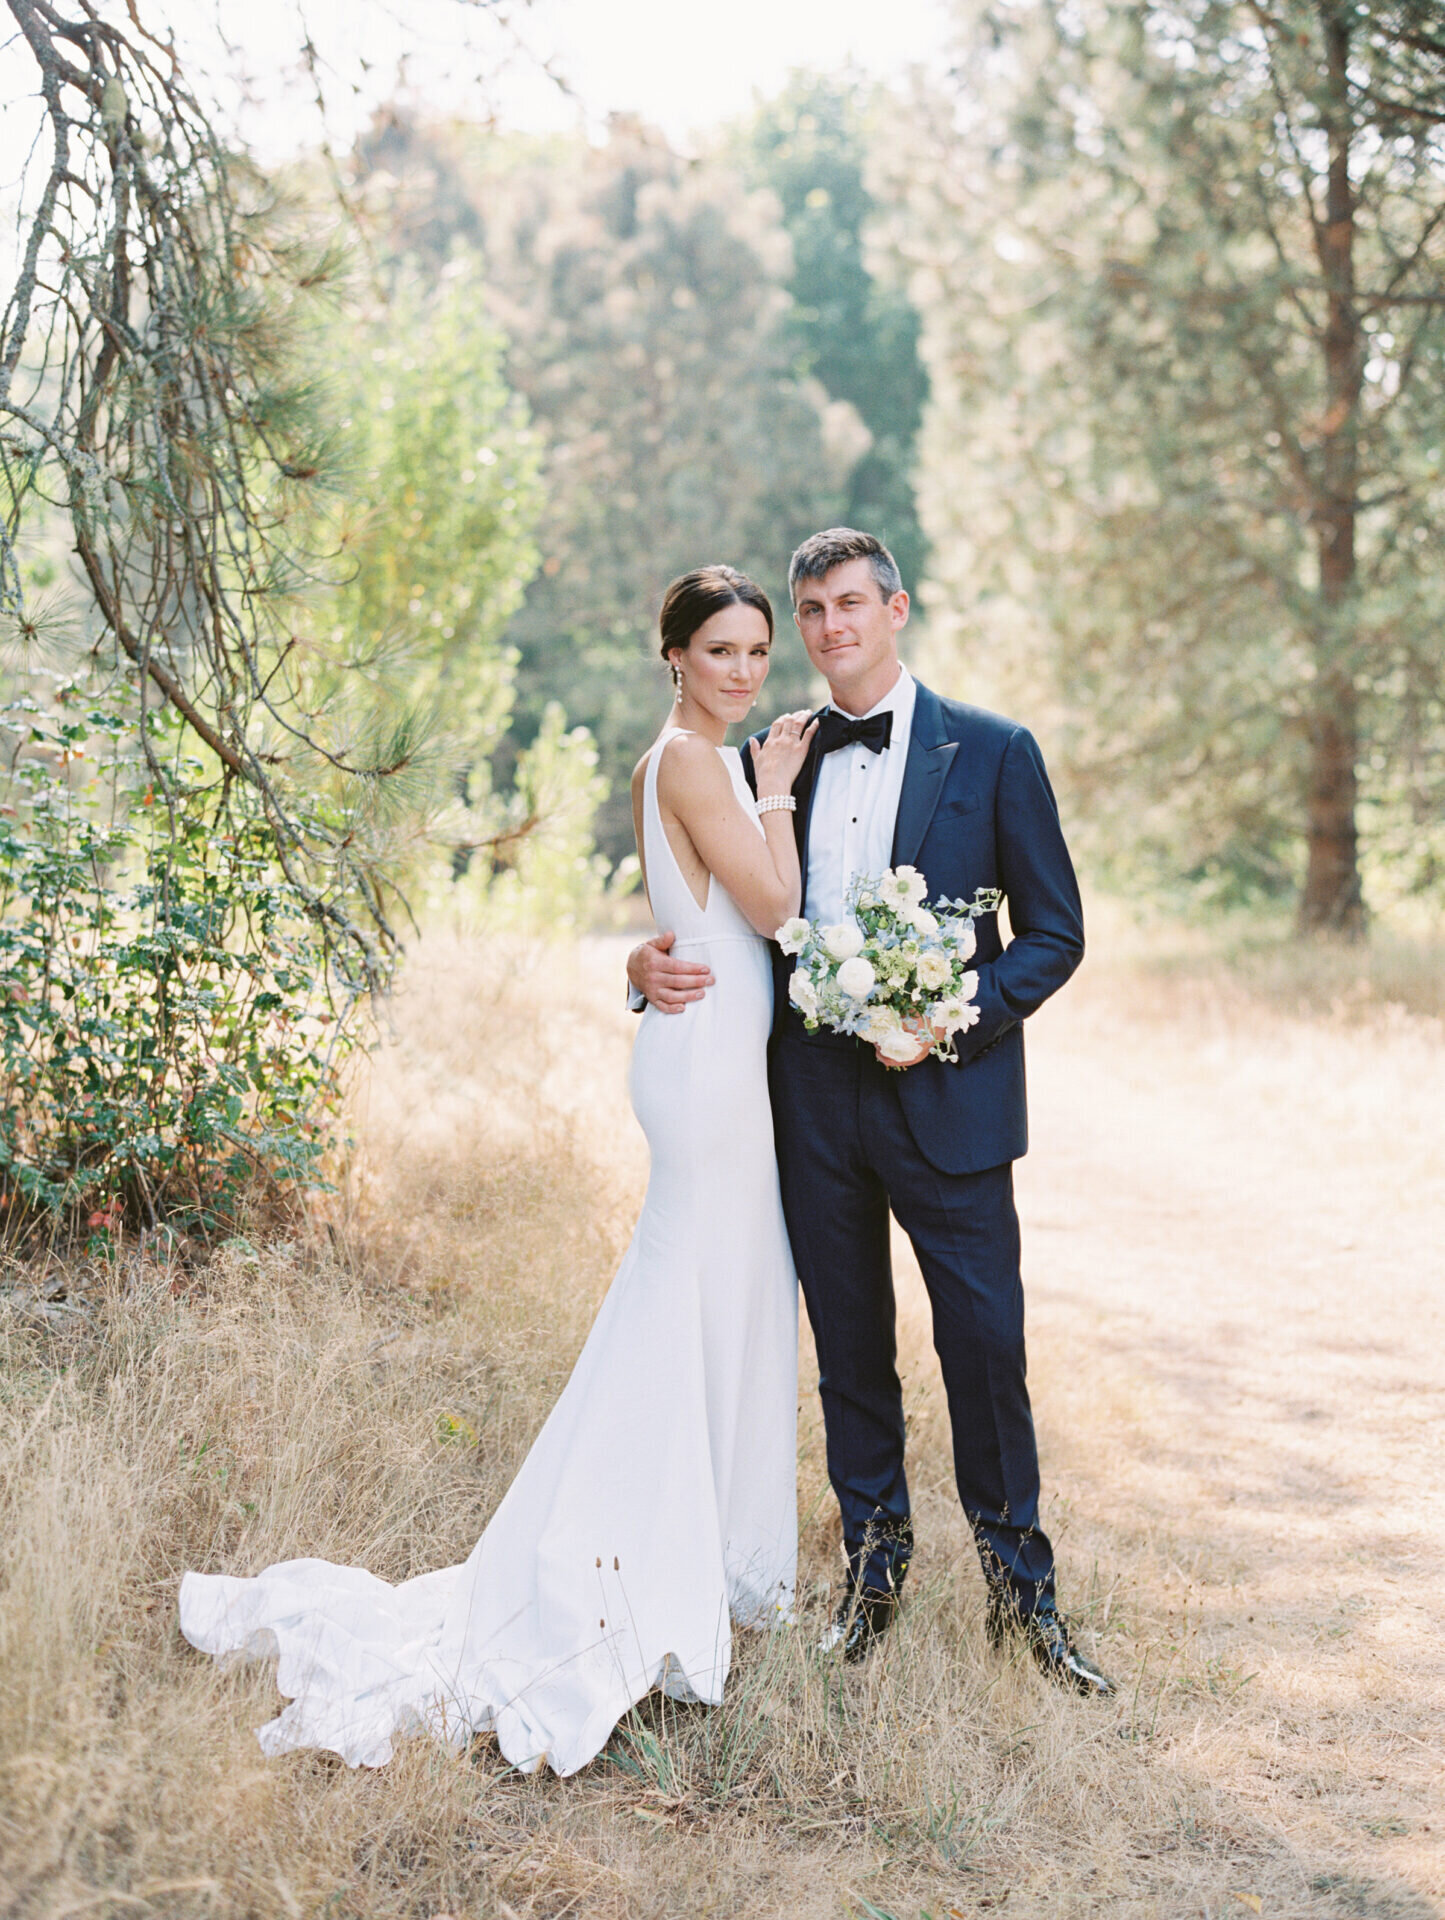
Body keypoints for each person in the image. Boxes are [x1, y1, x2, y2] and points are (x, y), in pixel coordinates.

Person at [179, 566, 817, 1775]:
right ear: (673, 654)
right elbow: (773, 903)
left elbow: (698, 921)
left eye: (755, 653)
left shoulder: (683, 760)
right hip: (704, 1073)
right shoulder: (693, 759)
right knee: (687, 1298)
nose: (742, 672)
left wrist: (645, 959)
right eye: (720, 650)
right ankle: (632, 1565)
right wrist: (777, 791)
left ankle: (708, 1559)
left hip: (710, 1049)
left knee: (724, 1295)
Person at [628, 528, 1112, 1695]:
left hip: (948, 1099)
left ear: (896, 609)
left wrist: (959, 1011)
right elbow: (701, 908)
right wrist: (640, 969)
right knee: (849, 1357)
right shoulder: (760, 757)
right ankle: (871, 1581)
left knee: (983, 1351)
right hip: (804, 1106)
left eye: (851, 604)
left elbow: (1054, 933)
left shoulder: (993, 751)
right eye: (812, 611)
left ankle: (1023, 1604)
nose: (831, 627)